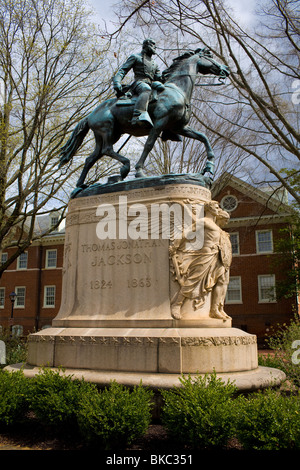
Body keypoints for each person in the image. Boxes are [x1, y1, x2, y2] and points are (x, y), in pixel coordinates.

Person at [170, 201, 232, 321]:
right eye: (216, 207)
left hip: (218, 256)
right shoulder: (203, 221)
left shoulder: (216, 226)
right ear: (208, 209)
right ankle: (176, 305)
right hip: (205, 255)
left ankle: (215, 309)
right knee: (193, 279)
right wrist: (175, 246)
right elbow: (187, 232)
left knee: (221, 281)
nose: (218, 208)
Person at [112, 38, 162, 127]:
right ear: (146, 45)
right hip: (139, 83)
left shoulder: (155, 63)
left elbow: (159, 78)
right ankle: (138, 114)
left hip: (152, 84)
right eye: (153, 45)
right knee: (146, 89)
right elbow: (123, 70)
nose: (155, 47)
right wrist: (117, 82)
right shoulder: (136, 57)